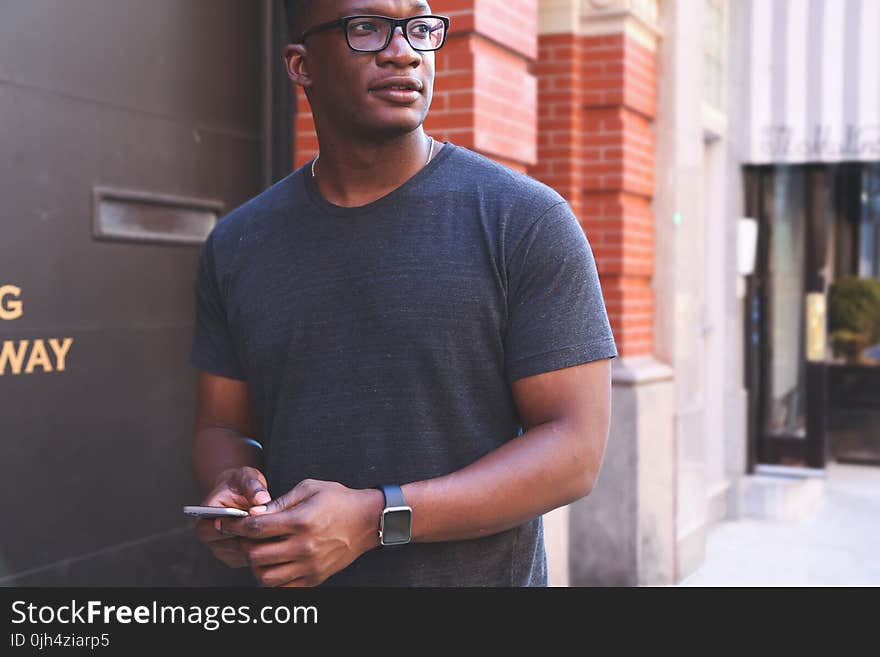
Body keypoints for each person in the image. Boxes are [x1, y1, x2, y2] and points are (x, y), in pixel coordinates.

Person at [189, 0, 618, 587]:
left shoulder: (523, 220)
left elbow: (574, 452)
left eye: (420, 28)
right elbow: (221, 427)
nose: (405, 51)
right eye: (367, 28)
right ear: (300, 64)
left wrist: (375, 517)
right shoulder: (238, 242)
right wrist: (231, 485)